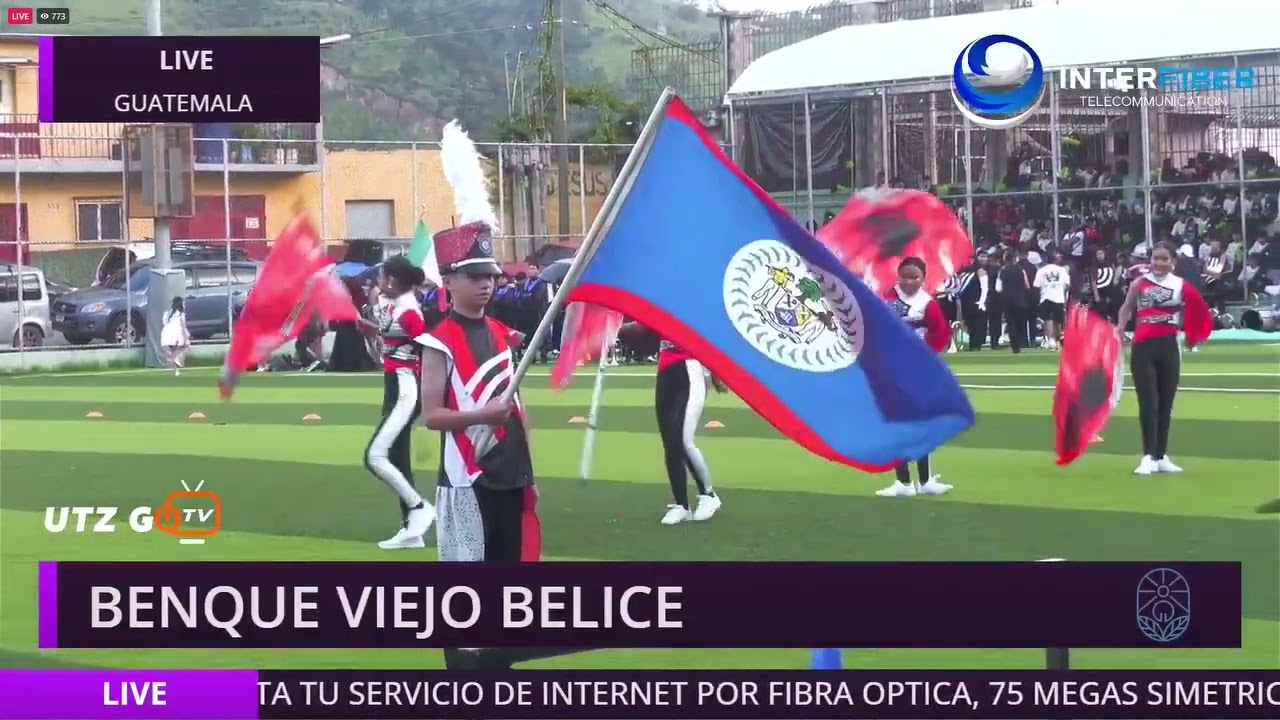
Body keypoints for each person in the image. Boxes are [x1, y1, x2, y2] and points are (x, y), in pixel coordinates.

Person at [419, 221, 539, 561]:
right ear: (448, 282)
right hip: (468, 473)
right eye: (474, 277)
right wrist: (482, 415)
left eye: (490, 276)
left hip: (512, 470)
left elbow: (518, 406)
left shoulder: (503, 334)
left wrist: (529, 472)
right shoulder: (438, 342)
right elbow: (432, 416)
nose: (486, 284)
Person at [1115, 241, 1212, 476]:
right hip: (1143, 348)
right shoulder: (1139, 283)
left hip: (1169, 348)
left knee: (1166, 404)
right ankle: (1148, 456)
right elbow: (1126, 307)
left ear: (1173, 262)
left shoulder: (1181, 285)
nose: (1158, 263)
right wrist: (1120, 327)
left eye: (1164, 259)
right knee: (1149, 403)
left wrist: (1193, 335)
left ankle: (1161, 456)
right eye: (1155, 258)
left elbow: (1198, 309)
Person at [619, 322, 724, 524]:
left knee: (683, 440)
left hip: (689, 368)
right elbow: (648, 327)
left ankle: (708, 495)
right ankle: (681, 505)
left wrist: (716, 369)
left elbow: (710, 331)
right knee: (670, 441)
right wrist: (619, 328)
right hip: (666, 370)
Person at [365, 254, 436, 550]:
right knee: (397, 457)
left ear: (391, 280)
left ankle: (419, 507)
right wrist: (370, 334)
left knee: (374, 456)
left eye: (380, 277)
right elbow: (383, 355)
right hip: (395, 385)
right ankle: (411, 531)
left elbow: (428, 352)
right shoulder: (393, 306)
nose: (376, 282)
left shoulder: (408, 312)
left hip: (406, 389)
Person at [876, 257, 953, 497]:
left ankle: (925, 479)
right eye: (905, 276)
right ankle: (903, 481)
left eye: (915, 277)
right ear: (897, 276)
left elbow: (941, 333)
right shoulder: (886, 296)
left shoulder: (927, 303)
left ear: (923, 279)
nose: (909, 281)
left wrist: (924, 354)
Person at [1034, 250, 1069, 349]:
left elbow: (1036, 285)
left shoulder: (1041, 270)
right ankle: (1058, 341)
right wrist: (1062, 293)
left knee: (1048, 320)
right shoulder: (1062, 270)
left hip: (1046, 296)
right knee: (1058, 321)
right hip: (1058, 297)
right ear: (1055, 259)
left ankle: (1050, 340)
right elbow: (1067, 284)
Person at [998, 250, 1031, 353]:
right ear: (1014, 258)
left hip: (1007, 301)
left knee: (1011, 322)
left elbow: (998, 288)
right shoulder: (1021, 270)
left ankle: (1014, 346)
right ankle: (1021, 344)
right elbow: (1027, 285)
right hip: (1020, 300)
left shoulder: (1002, 271)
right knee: (1020, 323)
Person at [159, 296, 191, 376]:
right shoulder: (180, 314)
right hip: (176, 333)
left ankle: (176, 371)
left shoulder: (168, 313)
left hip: (167, 334)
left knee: (173, 351)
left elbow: (164, 323)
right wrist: (185, 337)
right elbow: (183, 326)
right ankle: (178, 359)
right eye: (183, 303)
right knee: (186, 346)